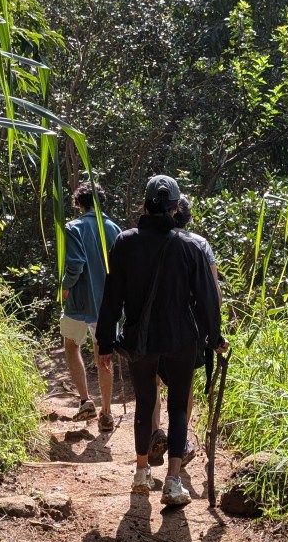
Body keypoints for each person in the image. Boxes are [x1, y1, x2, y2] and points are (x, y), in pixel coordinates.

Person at [96, 175, 228, 505]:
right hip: (181, 338)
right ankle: (173, 482)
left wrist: (105, 342)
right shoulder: (190, 246)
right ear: (175, 207)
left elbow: (112, 297)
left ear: (145, 203)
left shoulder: (125, 243)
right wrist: (214, 336)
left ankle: (141, 473)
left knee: (145, 402)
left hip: (141, 339)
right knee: (179, 406)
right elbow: (207, 298)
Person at [150, 193, 222, 467]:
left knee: (153, 379)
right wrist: (213, 328)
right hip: (188, 326)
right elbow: (213, 290)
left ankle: (155, 433)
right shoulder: (199, 244)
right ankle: (180, 442)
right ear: (188, 218)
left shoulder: (149, 240)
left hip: (153, 322)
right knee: (185, 383)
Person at [61, 181, 121, 432]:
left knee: (71, 345)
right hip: (107, 304)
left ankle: (86, 400)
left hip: (79, 301)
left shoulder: (73, 227)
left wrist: (65, 286)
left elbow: (75, 264)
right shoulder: (115, 229)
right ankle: (106, 413)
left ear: (78, 203)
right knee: (104, 355)